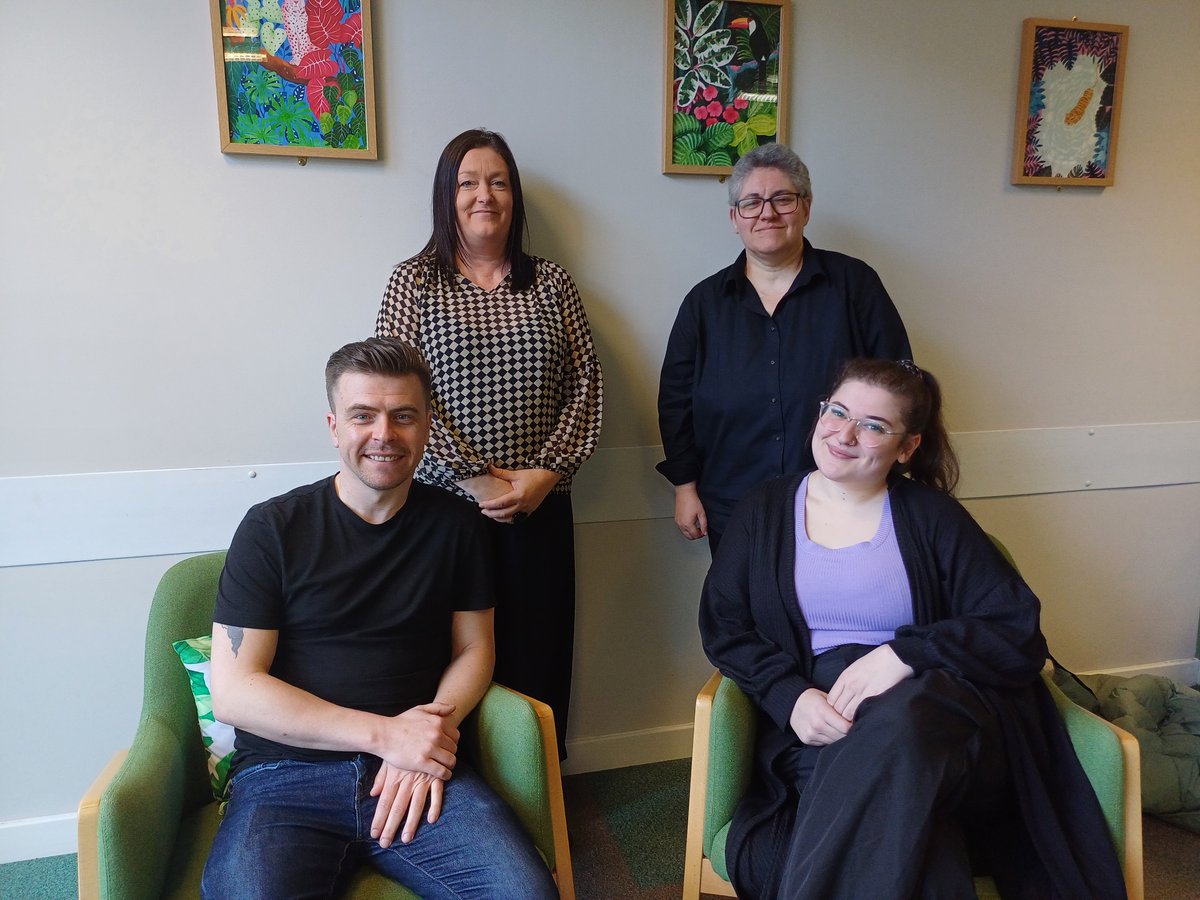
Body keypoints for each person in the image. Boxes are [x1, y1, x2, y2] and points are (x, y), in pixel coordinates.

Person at [699, 358, 1126, 899]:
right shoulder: (764, 510)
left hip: (940, 712)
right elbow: (725, 624)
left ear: (906, 447)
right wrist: (789, 698)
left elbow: (1016, 627)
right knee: (916, 834)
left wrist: (904, 655)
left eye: (874, 425)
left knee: (904, 722)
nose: (845, 434)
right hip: (824, 720)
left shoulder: (932, 516)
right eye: (838, 412)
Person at [202, 338, 558, 900]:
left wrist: (426, 739)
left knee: (524, 893)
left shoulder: (458, 527)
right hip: (284, 778)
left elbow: (475, 650)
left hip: (420, 768)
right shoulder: (273, 527)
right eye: (362, 415)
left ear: (425, 427)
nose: (383, 434)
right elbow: (236, 693)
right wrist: (389, 735)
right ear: (334, 426)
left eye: (404, 416)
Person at [376, 129, 602, 757]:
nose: (484, 195)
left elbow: (585, 384)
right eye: (468, 182)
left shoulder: (552, 283)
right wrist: (477, 479)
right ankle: (450, 792)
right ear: (447, 196)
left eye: (498, 182)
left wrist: (545, 474)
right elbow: (399, 398)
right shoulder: (413, 282)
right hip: (443, 512)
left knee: (538, 655)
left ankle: (542, 798)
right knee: (444, 660)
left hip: (540, 511)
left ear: (515, 197)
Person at [657, 143, 911, 555]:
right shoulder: (703, 303)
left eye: (782, 199)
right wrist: (685, 487)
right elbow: (674, 402)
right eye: (752, 202)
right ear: (734, 218)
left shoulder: (855, 285)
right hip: (732, 504)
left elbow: (899, 384)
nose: (767, 213)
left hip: (844, 498)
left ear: (806, 208)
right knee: (742, 615)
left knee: (831, 616)